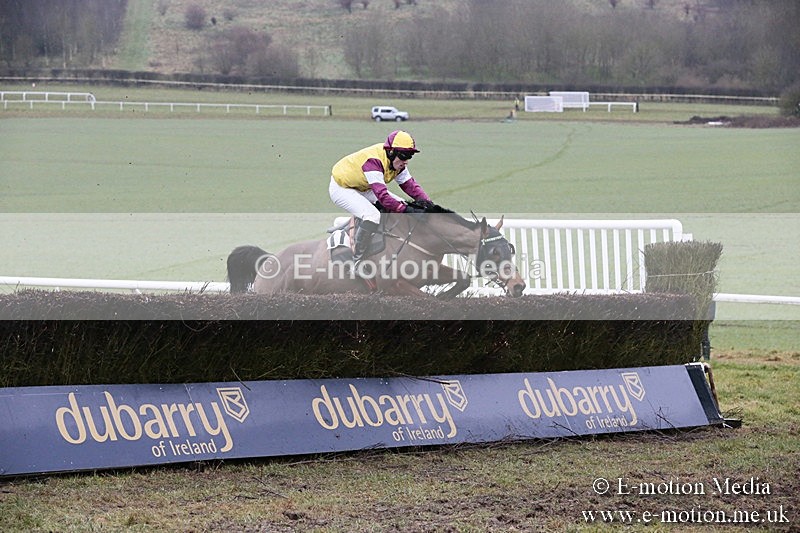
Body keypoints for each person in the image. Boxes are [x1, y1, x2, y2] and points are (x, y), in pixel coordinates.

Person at [329, 130, 433, 270]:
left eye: (410, 156)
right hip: (342, 188)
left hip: (364, 186)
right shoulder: (374, 162)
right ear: (390, 152)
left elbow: (410, 186)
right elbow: (383, 197)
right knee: (373, 216)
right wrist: (409, 210)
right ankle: (357, 260)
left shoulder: (397, 164)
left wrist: (430, 205)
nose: (406, 161)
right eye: (404, 156)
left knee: (401, 203)